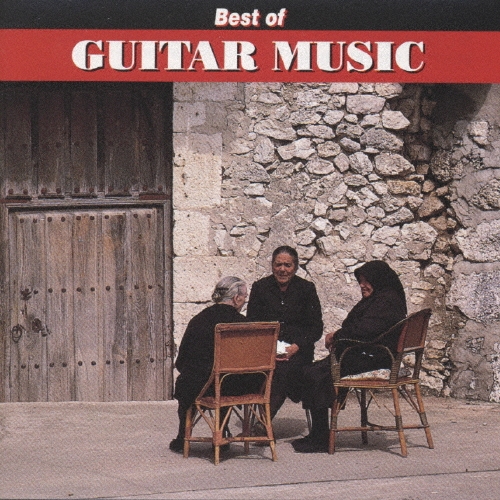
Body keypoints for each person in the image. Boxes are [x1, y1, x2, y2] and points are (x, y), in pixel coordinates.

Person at [292, 260, 408, 453]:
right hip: (370, 355)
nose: (362, 285)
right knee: (311, 371)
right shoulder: (381, 299)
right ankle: (319, 433)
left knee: (314, 374)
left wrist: (336, 336)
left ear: (378, 280)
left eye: (366, 281)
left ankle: (321, 437)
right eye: (360, 281)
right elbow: (361, 328)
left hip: (374, 358)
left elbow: (366, 330)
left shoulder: (386, 301)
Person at [169, 276, 252, 453]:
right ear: (236, 298)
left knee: (187, 381)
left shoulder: (198, 320)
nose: (244, 300)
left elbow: (181, 361)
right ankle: (221, 432)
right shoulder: (243, 324)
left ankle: (183, 435)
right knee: (228, 377)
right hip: (232, 386)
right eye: (244, 297)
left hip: (198, 386)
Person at [247, 246, 324, 420]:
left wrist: (296, 346)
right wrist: (269, 348)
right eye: (278, 265)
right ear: (272, 266)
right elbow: (252, 323)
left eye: (287, 265)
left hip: (297, 351)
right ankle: (263, 423)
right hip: (266, 350)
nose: (282, 269)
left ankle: (264, 422)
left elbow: (316, 327)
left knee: (282, 371)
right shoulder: (260, 288)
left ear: (295, 267)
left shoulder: (306, 289)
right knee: (271, 370)